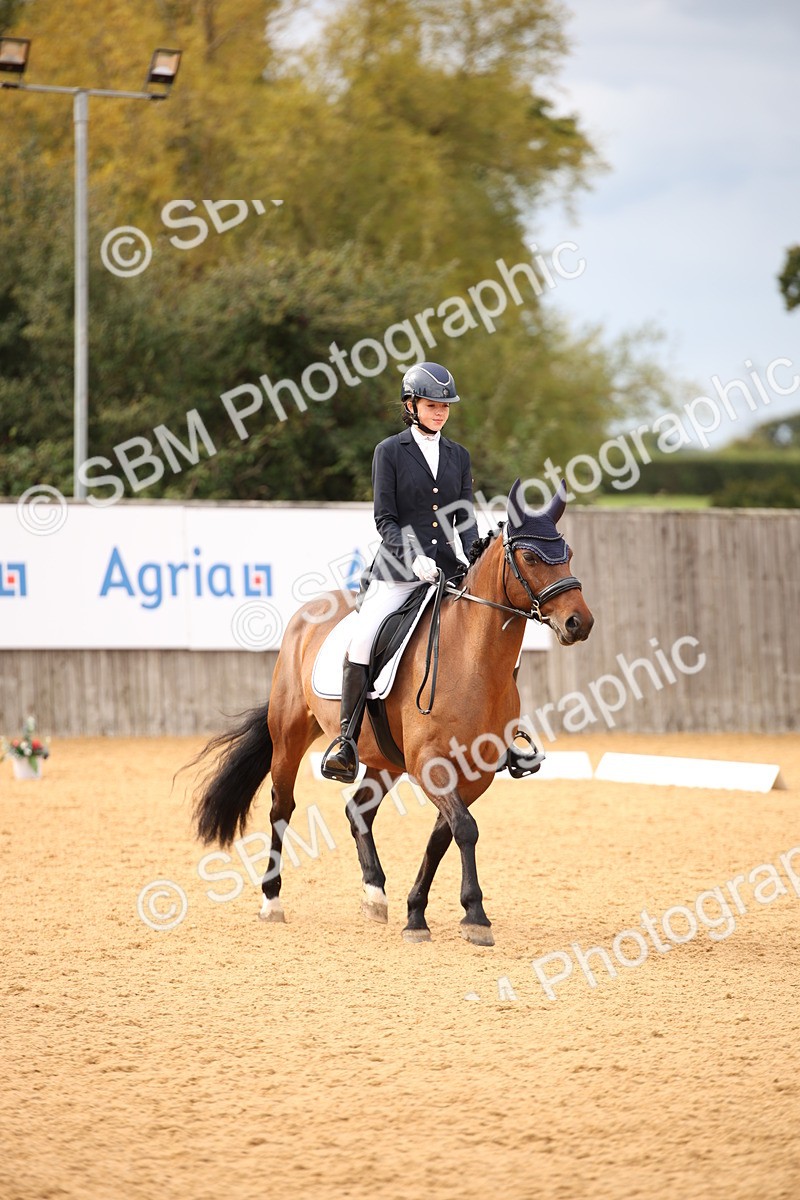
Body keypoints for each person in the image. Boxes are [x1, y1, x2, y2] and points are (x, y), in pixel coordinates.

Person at [320, 360, 479, 783]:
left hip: (446, 573)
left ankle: (503, 732)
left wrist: (474, 555)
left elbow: (463, 517)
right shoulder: (389, 451)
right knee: (363, 639)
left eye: (445, 406)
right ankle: (346, 741)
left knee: (490, 627)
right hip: (397, 572)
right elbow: (385, 519)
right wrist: (413, 557)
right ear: (411, 405)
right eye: (432, 405)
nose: (440, 412)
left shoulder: (459, 456)